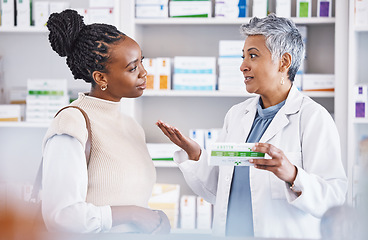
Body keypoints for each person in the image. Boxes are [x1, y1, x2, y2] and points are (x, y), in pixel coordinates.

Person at [156, 14, 347, 239]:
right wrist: (195, 153)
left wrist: (293, 175)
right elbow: (219, 189)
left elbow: (334, 199)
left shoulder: (313, 117)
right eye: (243, 57)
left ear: (284, 62)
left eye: (253, 56)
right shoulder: (237, 115)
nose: (243, 66)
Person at [42, 9, 170, 234]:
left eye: (141, 62)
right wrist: (132, 214)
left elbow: (128, 196)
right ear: (100, 78)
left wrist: (153, 218)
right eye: (132, 68)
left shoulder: (132, 126)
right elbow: (61, 215)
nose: (144, 73)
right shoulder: (72, 123)